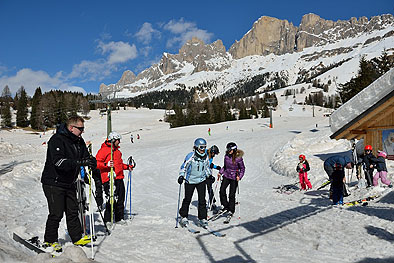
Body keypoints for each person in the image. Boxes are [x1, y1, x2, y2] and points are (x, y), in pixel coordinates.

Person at [41, 116, 96, 251]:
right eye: (80, 129)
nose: (82, 131)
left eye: (83, 128)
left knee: (73, 211)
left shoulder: (78, 141)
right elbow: (59, 162)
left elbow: (84, 157)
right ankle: (49, 240)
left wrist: (90, 161)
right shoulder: (57, 140)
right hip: (54, 182)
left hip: (69, 182)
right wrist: (80, 163)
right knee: (56, 213)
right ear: (71, 128)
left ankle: (77, 237)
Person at [96, 131, 134, 227]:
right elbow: (96, 163)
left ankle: (119, 217)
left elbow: (119, 165)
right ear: (113, 140)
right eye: (118, 140)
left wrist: (127, 167)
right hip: (109, 178)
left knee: (120, 197)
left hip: (119, 177)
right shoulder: (103, 150)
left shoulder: (117, 151)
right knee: (111, 198)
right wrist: (106, 165)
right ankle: (108, 218)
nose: (119, 142)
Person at [178, 138, 211, 228]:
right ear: (196, 147)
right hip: (190, 181)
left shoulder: (205, 157)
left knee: (202, 200)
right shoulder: (191, 156)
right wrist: (181, 176)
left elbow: (207, 168)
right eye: (201, 147)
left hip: (201, 181)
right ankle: (183, 216)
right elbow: (183, 167)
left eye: (204, 147)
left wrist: (209, 175)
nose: (203, 149)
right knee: (187, 199)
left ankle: (202, 218)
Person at [218, 142, 245, 220]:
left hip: (234, 177)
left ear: (234, 149)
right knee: (222, 190)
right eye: (228, 149)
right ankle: (225, 206)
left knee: (231, 194)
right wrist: (220, 172)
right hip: (226, 175)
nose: (228, 151)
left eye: (230, 149)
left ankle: (231, 210)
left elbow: (242, 169)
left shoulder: (238, 158)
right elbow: (225, 166)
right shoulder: (226, 156)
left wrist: (239, 177)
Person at [206, 145, 221, 211]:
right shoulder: (205, 154)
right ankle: (203, 204)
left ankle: (213, 203)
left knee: (210, 188)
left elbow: (210, 164)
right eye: (214, 154)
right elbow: (205, 165)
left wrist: (216, 167)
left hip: (207, 174)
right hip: (202, 175)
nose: (214, 155)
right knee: (205, 189)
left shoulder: (211, 156)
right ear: (212, 152)